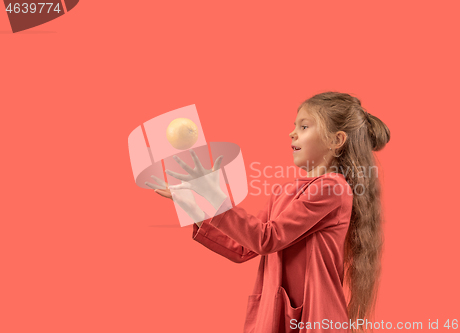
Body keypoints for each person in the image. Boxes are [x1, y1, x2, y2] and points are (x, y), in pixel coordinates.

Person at [148, 91, 390, 333]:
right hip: (278, 315)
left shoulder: (332, 188)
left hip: (313, 318)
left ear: (337, 140)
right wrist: (194, 204)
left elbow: (267, 238)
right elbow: (243, 247)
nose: (292, 132)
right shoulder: (285, 190)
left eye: (304, 126)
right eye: (294, 125)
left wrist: (215, 196)